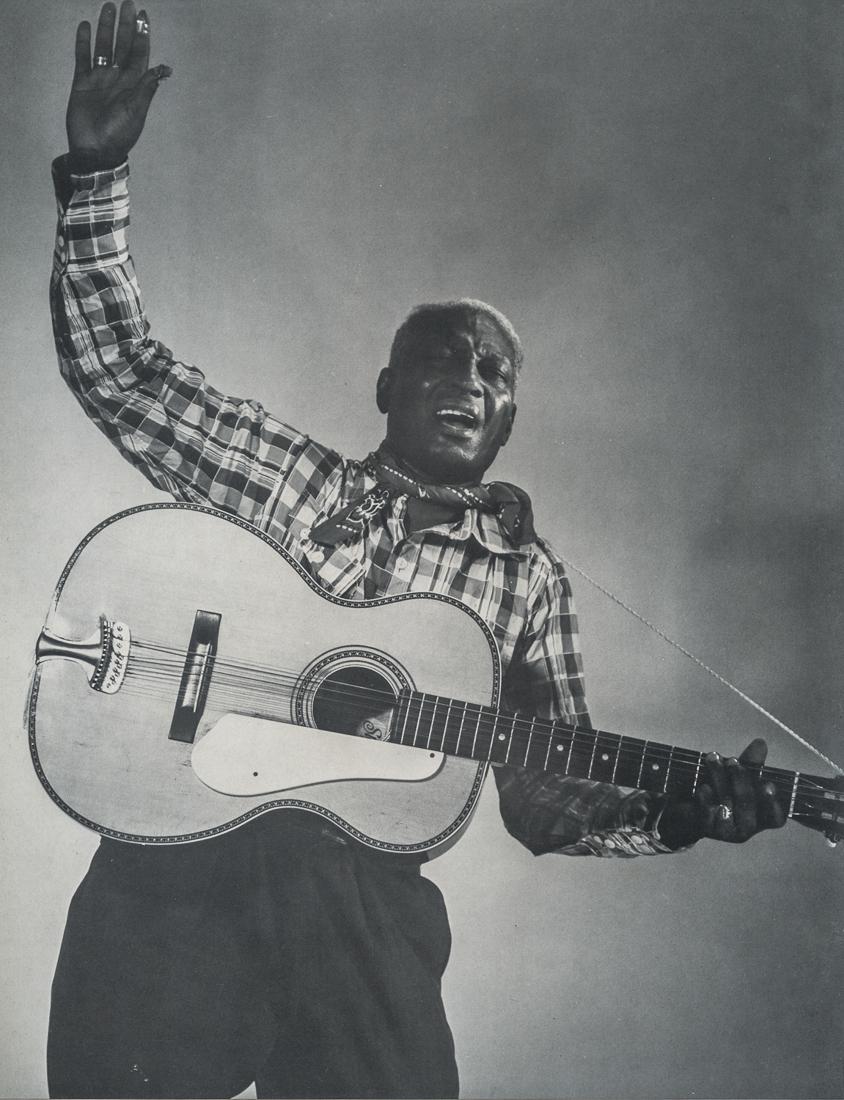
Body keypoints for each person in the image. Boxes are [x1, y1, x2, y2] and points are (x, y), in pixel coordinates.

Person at [47, 4, 787, 1098]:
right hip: (183, 859)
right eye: (440, 360)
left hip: (367, 905)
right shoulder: (294, 478)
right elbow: (124, 373)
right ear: (389, 389)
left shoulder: (527, 582)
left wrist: (680, 812)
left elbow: (547, 798)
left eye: (492, 374)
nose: (467, 381)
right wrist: (98, 175)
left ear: (507, 420)